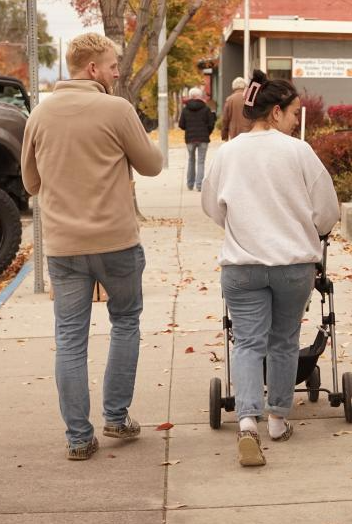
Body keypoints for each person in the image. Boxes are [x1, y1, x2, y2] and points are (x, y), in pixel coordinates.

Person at [21, 32, 164, 459]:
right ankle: (116, 418)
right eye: (113, 64)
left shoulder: (40, 116)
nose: (118, 71)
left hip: (64, 248)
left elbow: (30, 182)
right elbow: (153, 165)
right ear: (92, 69)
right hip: (117, 242)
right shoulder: (117, 110)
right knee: (125, 322)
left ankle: (79, 438)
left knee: (69, 339)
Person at [201, 70, 339, 467]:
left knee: (246, 343)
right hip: (293, 266)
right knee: (282, 341)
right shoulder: (299, 153)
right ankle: (277, 419)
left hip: (242, 267)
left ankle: (247, 421)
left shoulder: (227, 153)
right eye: (293, 113)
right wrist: (312, 229)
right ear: (276, 112)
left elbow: (213, 207)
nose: (296, 121)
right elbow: (327, 210)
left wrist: (244, 226)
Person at [178, 86, 215, 191]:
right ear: (199, 96)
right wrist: (207, 133)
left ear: (191, 96)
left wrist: (189, 128)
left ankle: (190, 184)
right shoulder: (206, 108)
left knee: (191, 160)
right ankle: (199, 185)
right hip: (203, 138)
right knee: (201, 161)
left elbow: (181, 125)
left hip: (190, 139)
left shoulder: (185, 109)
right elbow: (211, 124)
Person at [220, 76, 253, 141]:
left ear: (233, 87)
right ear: (245, 86)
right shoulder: (250, 99)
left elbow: (225, 119)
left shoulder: (230, 99)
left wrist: (224, 135)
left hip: (235, 133)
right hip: (249, 132)